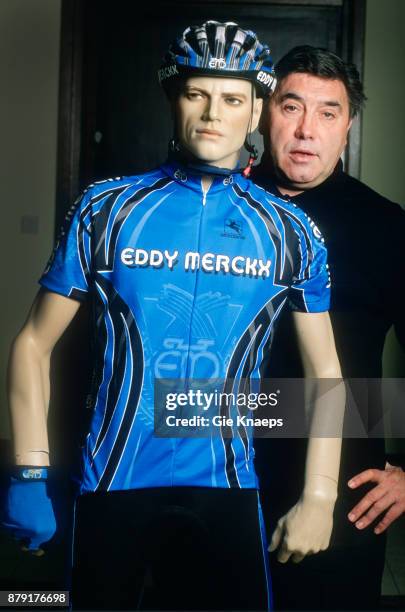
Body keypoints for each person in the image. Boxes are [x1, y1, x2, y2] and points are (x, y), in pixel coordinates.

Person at [2, 26, 344, 611]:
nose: (213, 114)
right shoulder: (104, 209)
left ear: (256, 110)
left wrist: (320, 495)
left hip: (228, 488)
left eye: (233, 99)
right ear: (172, 99)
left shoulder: (291, 231)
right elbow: (34, 344)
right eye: (196, 94)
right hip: (112, 483)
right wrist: (28, 475)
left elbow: (325, 376)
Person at [252, 45, 405, 611]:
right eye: (291, 107)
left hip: (345, 486)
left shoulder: (388, 227)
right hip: (218, 469)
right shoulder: (221, 209)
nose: (306, 130)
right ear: (266, 112)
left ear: (349, 126)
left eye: (328, 112)